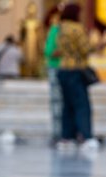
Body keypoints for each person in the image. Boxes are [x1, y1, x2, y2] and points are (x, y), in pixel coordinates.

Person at [56, 3, 99, 151]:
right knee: (82, 105)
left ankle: (66, 137)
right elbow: (85, 49)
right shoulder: (77, 28)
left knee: (67, 106)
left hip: (62, 69)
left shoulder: (60, 28)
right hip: (76, 70)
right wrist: (100, 44)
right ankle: (86, 137)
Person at [44, 6, 62, 145]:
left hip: (65, 70)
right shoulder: (55, 30)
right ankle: (57, 134)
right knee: (57, 102)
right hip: (56, 69)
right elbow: (49, 51)